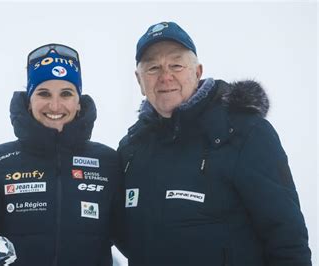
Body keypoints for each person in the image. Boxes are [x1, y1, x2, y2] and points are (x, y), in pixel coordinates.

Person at [117, 21, 312, 266]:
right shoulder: (131, 149)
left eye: (176, 65)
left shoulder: (243, 133)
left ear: (197, 72)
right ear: (139, 81)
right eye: (153, 68)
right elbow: (124, 234)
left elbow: (287, 238)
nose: (165, 77)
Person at [0, 43, 124, 266]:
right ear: (30, 102)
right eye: (44, 93)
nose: (55, 104)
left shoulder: (108, 162)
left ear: (79, 103)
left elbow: (136, 239)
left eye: (66, 93)